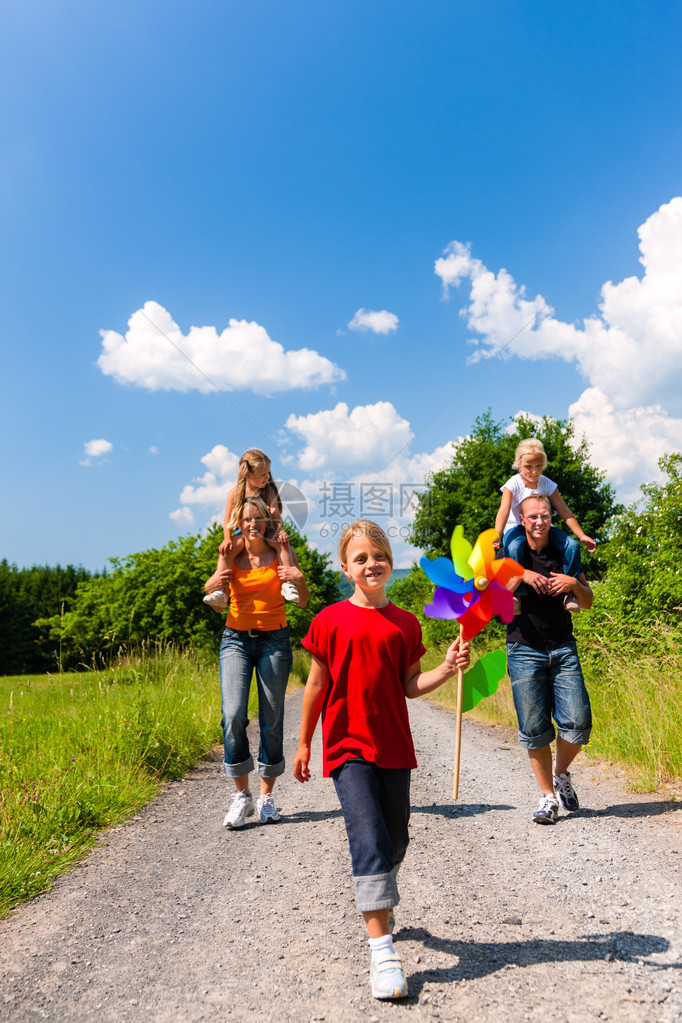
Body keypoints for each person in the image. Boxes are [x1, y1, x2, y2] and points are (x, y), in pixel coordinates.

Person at [292, 520, 470, 1001]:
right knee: (367, 837)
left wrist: (447, 667)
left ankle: (382, 893)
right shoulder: (328, 620)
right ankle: (383, 952)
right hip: (348, 747)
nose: (372, 564)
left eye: (380, 556)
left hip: (394, 746)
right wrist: (306, 741)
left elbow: (411, 686)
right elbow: (315, 686)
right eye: (361, 558)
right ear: (345, 567)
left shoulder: (406, 623)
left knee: (396, 837)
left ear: (391, 561)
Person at [204, 496, 309, 828]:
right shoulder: (231, 553)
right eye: (246, 519)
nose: (252, 524)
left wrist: (298, 575)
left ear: (267, 521)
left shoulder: (279, 551)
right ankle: (242, 796)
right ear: (238, 522)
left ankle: (266, 797)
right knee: (233, 715)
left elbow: (302, 600)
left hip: (274, 641)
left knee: (271, 720)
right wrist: (211, 585)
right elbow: (218, 602)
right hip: (235, 639)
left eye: (258, 519)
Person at [506, 493, 594, 825]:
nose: (540, 521)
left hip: (562, 647)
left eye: (545, 516)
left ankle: (560, 773)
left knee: (578, 724)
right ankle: (547, 798)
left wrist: (574, 583)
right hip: (523, 648)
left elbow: (586, 602)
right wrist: (523, 576)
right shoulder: (511, 555)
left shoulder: (564, 552)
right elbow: (497, 604)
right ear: (523, 521)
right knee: (534, 729)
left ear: (550, 519)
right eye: (533, 517)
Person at [493, 438, 596, 613]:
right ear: (518, 463)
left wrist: (581, 535)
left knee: (571, 545)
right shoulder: (514, 483)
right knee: (515, 546)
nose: (534, 471)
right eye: (528, 466)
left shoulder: (546, 483)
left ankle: (569, 593)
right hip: (516, 528)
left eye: (539, 466)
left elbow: (564, 512)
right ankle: (516, 594)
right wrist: (497, 534)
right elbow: (503, 510)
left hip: (543, 527)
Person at [204, 448, 299, 612]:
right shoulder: (235, 493)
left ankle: (288, 584)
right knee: (226, 551)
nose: (267, 477)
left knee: (282, 544)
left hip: (266, 530)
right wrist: (227, 539)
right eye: (263, 474)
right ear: (248, 474)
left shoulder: (268, 491)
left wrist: (280, 530)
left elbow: (275, 513)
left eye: (268, 473)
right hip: (242, 533)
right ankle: (220, 591)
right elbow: (227, 520)